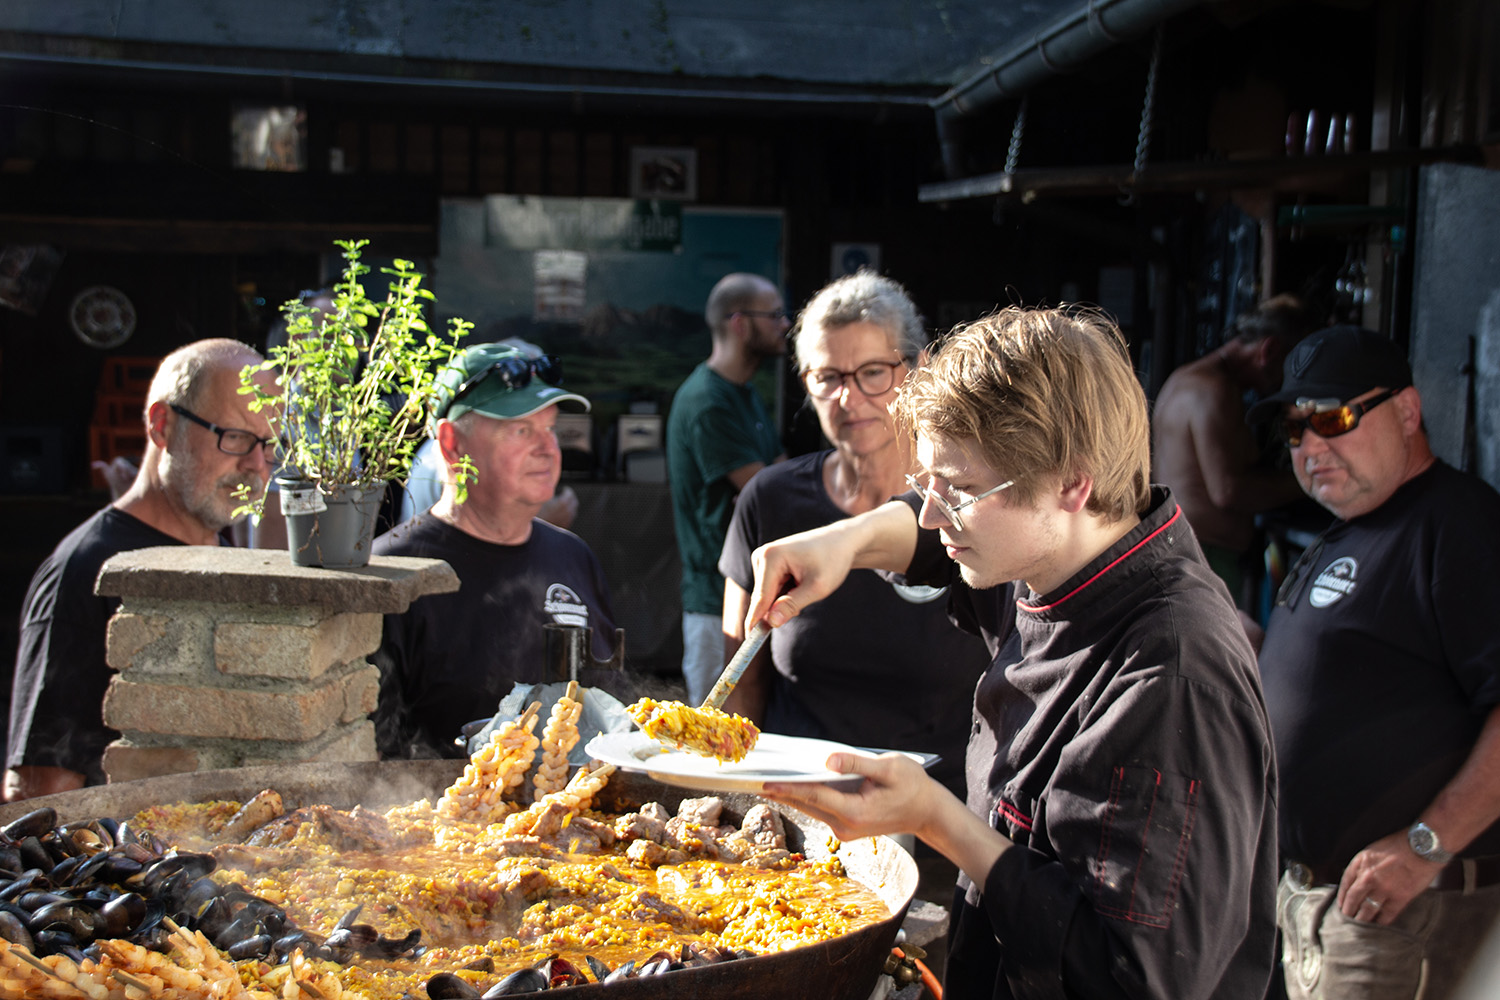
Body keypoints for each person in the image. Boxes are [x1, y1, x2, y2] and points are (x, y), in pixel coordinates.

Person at [742, 306, 1278, 1000]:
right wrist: (844, 541)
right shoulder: (1061, 552)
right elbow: (931, 535)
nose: (932, 514)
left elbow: (1128, 977)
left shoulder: (1170, 676)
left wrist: (933, 818)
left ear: (1071, 482)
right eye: (926, 482)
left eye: (957, 490)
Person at [1250, 326, 1500, 1000]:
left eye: (1333, 418)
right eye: (1296, 431)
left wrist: (1427, 845)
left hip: (1406, 916)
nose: (1310, 446)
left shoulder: (1458, 525)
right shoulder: (1346, 529)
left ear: (1409, 412)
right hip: (1314, 907)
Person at [718, 271, 988, 798]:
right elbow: (739, 679)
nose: (848, 398)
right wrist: (730, 801)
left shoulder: (968, 504)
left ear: (917, 369)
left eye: (872, 372)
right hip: (796, 821)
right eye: (828, 377)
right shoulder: (769, 501)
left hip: (942, 822)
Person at [6, 339, 276, 800]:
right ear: (162, 426)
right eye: (234, 437)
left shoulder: (223, 546)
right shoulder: (86, 569)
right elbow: (39, 790)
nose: (255, 465)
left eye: (269, 445)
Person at [370, 343, 619, 760]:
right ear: (451, 443)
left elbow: (612, 711)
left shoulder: (573, 557)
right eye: (522, 430)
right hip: (443, 817)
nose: (548, 449)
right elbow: (372, 751)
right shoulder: (392, 573)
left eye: (551, 429)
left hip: (574, 817)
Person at [666, 272, 788, 704]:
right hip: (715, 607)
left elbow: (777, 480)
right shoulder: (707, 401)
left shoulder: (746, 394)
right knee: (713, 746)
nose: (784, 324)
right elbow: (770, 492)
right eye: (773, 314)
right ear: (739, 323)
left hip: (752, 600)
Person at [1151, 295, 1312, 604]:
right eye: (1290, 366)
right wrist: (1308, 479)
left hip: (1189, 555)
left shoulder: (1185, 378)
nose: (1288, 382)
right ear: (1270, 350)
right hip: (1206, 559)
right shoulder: (1216, 390)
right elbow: (1228, 490)